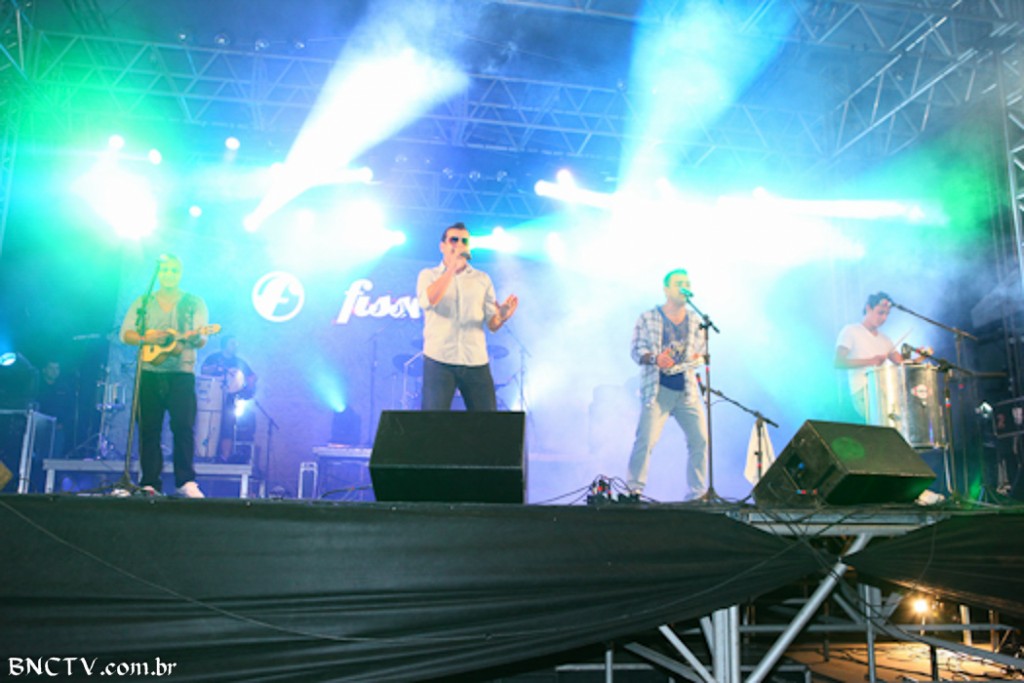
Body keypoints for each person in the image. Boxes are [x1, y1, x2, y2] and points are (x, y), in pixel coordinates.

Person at [119, 254, 209, 497]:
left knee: (183, 426)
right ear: (158, 273)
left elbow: (202, 338)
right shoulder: (144, 301)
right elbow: (125, 334)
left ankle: (185, 481)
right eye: (165, 270)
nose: (169, 274)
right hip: (148, 372)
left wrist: (195, 337)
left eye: (174, 270)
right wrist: (146, 338)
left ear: (181, 273)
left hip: (181, 373)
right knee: (148, 429)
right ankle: (149, 481)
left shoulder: (194, 302)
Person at [416, 222, 518, 411]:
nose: (459, 245)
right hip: (439, 358)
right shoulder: (428, 275)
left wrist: (502, 317)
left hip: (475, 360)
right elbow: (429, 300)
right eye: (454, 240)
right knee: (432, 422)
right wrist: (451, 269)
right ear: (442, 246)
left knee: (487, 421)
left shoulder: (482, 279)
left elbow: (492, 324)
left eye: (464, 241)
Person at [625, 269, 708, 500]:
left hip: (687, 390)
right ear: (666, 289)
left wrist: (697, 358)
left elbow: (702, 352)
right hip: (658, 389)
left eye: (687, 283)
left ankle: (697, 492)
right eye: (679, 283)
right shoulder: (648, 317)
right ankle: (634, 490)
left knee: (700, 439)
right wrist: (655, 358)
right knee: (645, 440)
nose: (684, 287)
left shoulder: (695, 320)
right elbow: (636, 350)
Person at [834, 291, 906, 419]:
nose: (884, 318)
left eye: (887, 314)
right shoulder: (851, 330)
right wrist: (871, 361)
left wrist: (921, 356)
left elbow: (902, 364)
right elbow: (838, 362)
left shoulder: (885, 339)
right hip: (864, 390)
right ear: (868, 308)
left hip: (886, 390)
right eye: (880, 313)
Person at [200, 335, 257, 462]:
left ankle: (225, 457)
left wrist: (248, 388)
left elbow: (252, 376)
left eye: (236, 344)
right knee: (210, 424)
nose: (235, 346)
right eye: (232, 343)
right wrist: (215, 368)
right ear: (224, 345)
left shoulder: (239, 362)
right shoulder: (213, 358)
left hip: (230, 399)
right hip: (211, 398)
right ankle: (206, 454)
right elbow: (203, 371)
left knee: (228, 425)